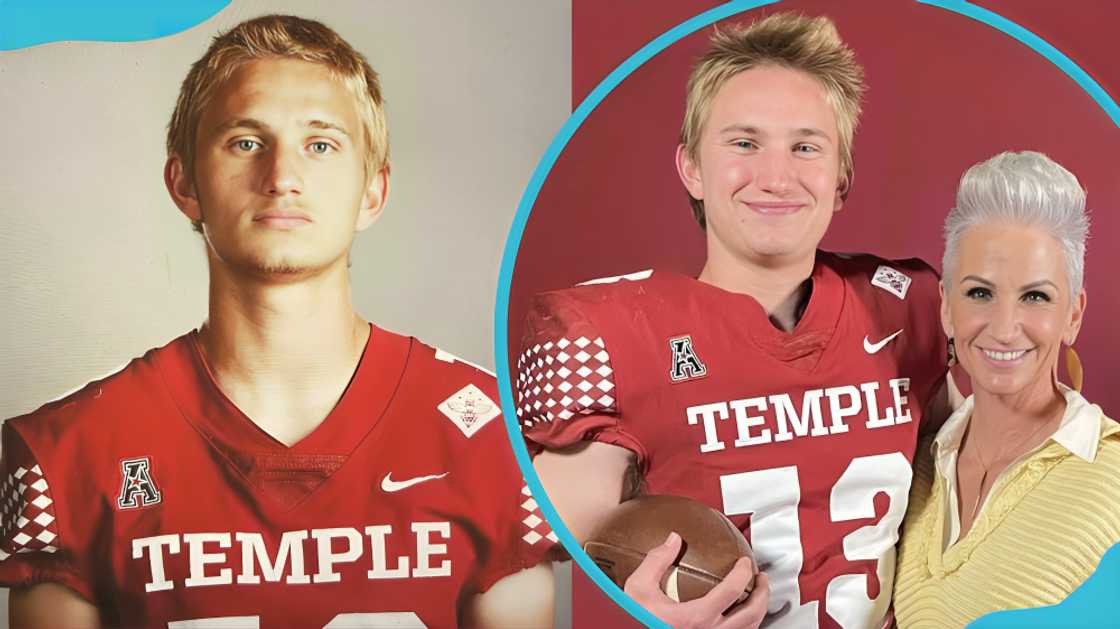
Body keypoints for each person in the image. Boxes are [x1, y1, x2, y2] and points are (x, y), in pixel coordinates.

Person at [0, 15, 557, 628]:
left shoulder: (496, 440)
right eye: (246, 142)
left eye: (320, 145)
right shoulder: (70, 454)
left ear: (372, 192)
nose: (282, 179)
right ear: (185, 183)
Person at [516, 12, 950, 629]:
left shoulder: (908, 306)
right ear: (692, 168)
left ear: (841, 179)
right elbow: (522, 560)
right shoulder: (614, 336)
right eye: (745, 144)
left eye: (806, 147)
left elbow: (979, 477)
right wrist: (636, 615)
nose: (775, 177)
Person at [893, 151, 1120, 627]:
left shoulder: (1113, 480)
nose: (1003, 328)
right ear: (946, 308)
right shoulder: (915, 467)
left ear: (1073, 315)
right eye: (980, 293)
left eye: (1035, 296)